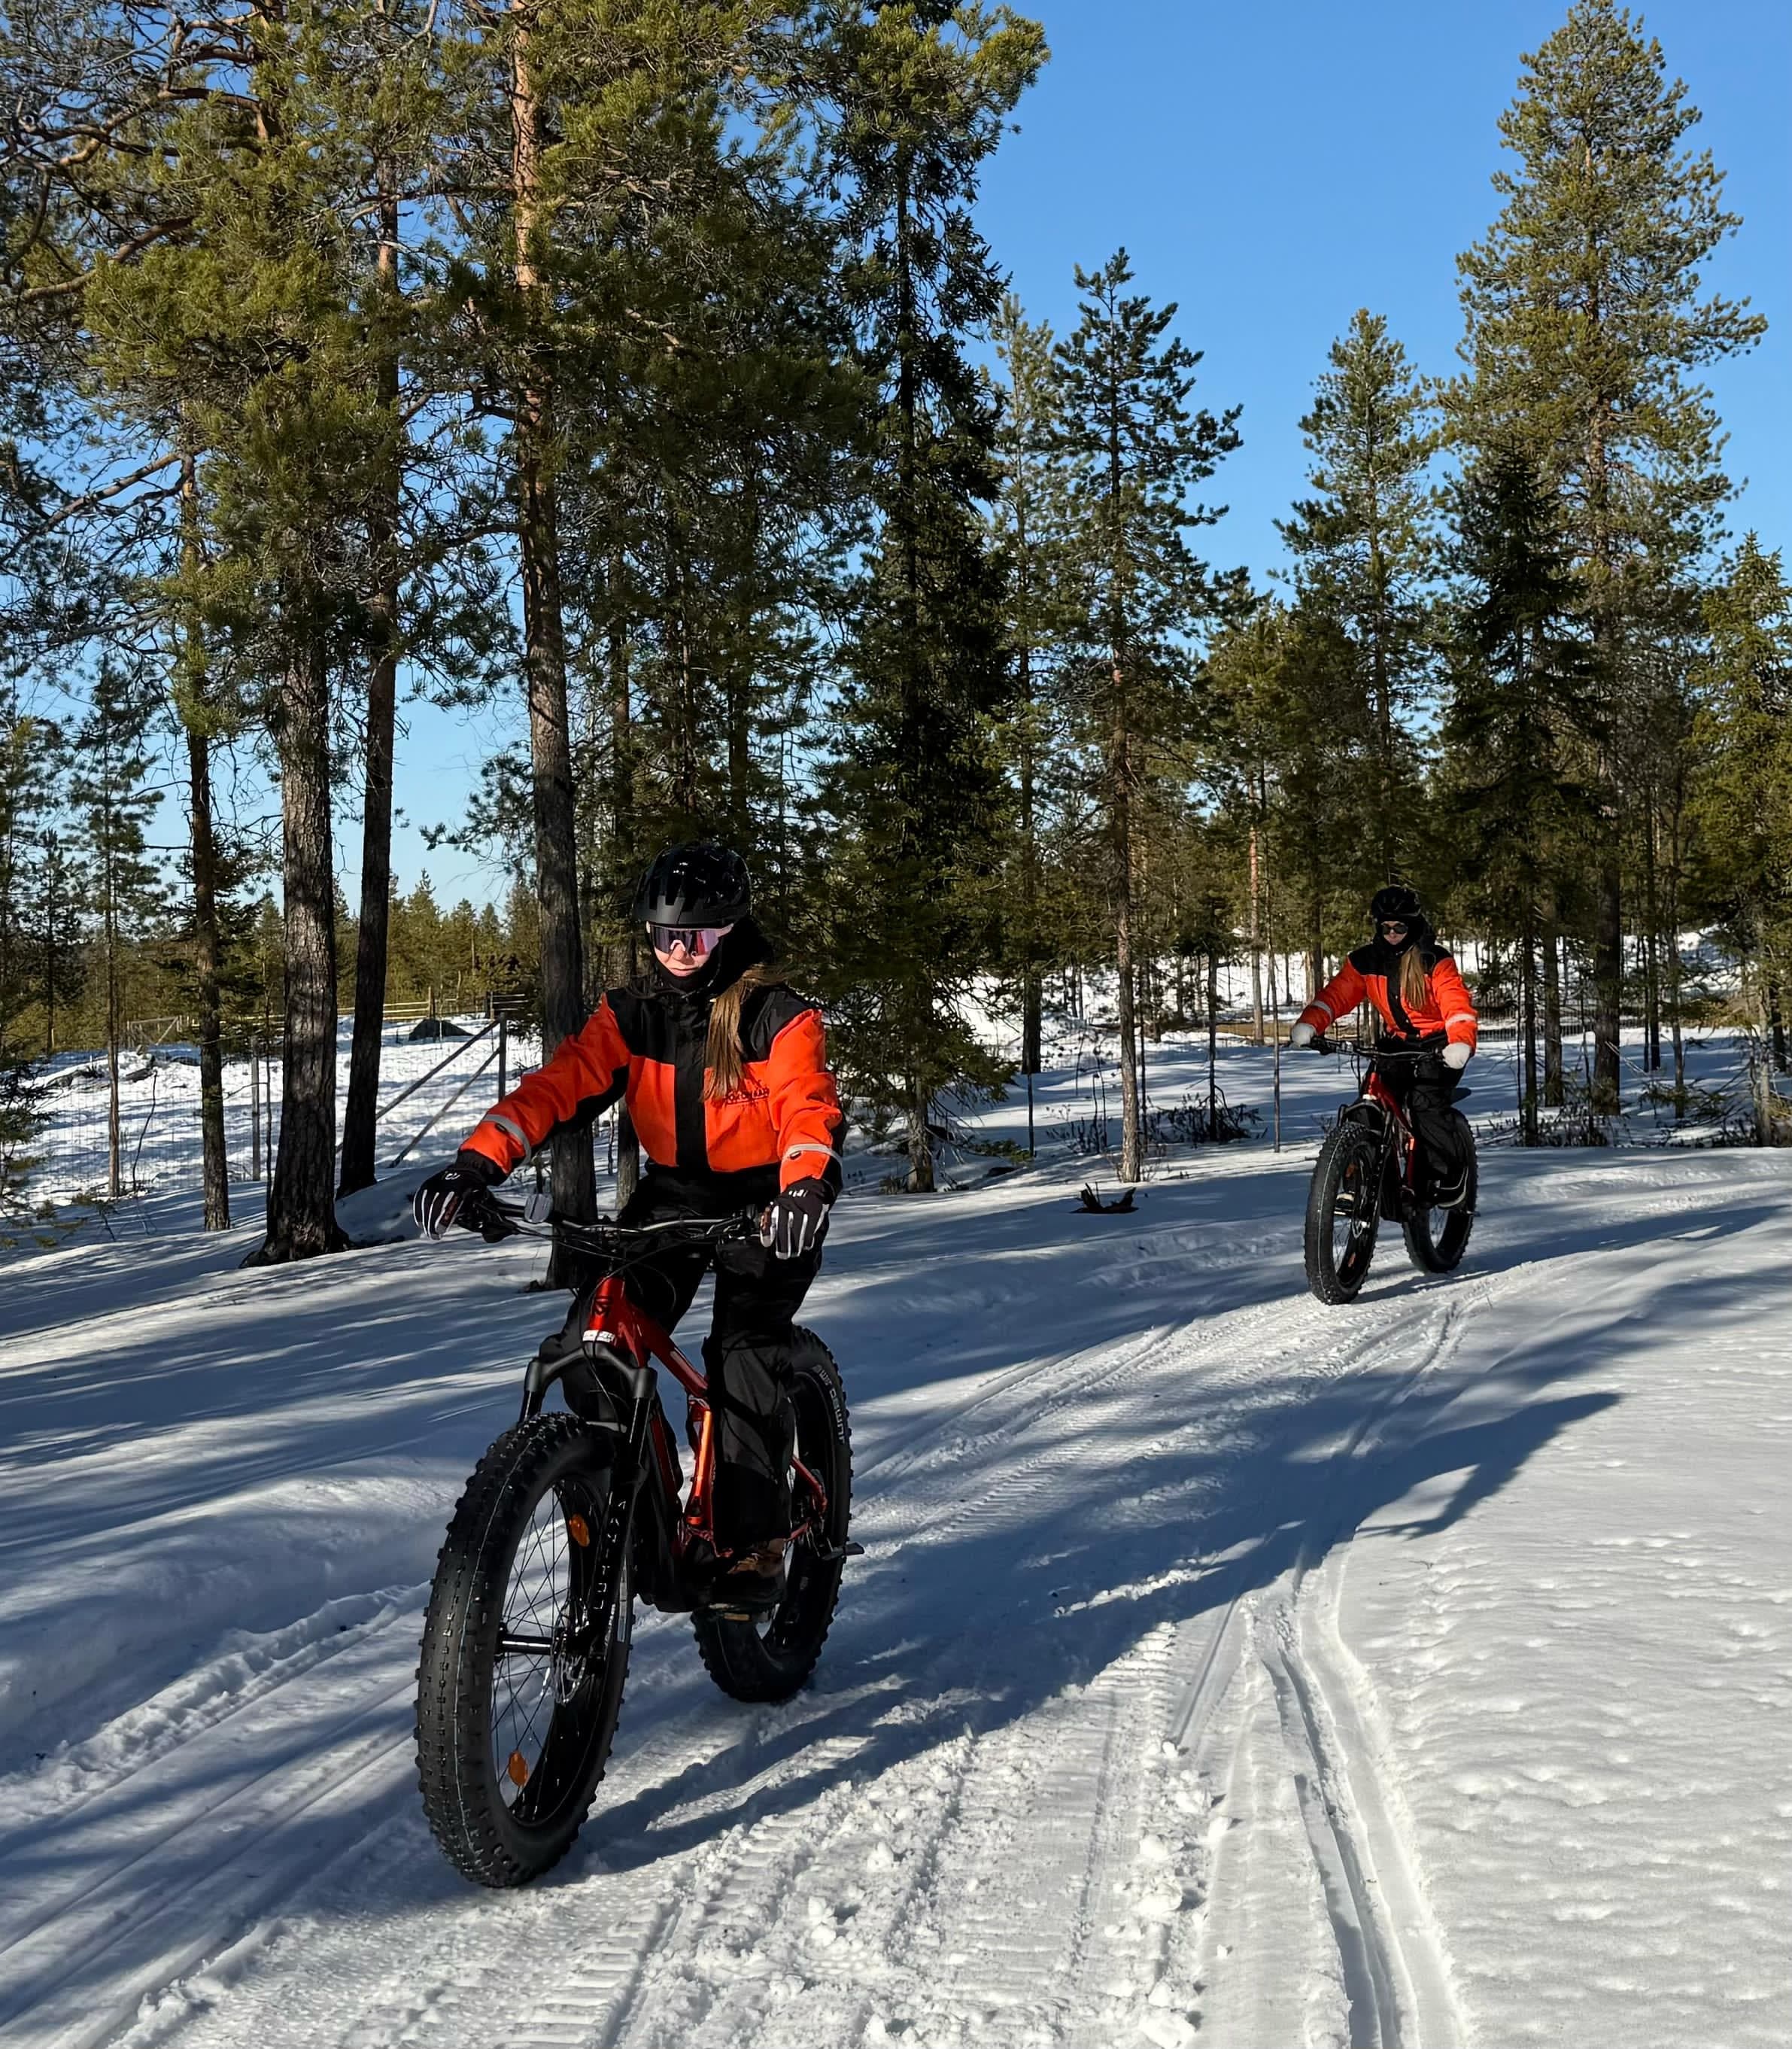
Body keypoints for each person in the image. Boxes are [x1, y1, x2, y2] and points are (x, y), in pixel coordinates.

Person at [413, 841, 845, 1601]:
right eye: (665, 935)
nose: (680, 951)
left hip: (769, 1205)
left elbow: (808, 1106)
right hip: (674, 1200)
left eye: (700, 935)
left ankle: (753, 1547)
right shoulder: (631, 1015)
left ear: (733, 931)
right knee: (592, 1344)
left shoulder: (778, 1017)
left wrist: (805, 1188)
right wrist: (477, 1162)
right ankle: (645, 1514)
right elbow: (555, 1089)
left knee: (744, 1357)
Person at [1288, 884, 1478, 1207]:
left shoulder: (1435, 961)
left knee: (1424, 1105)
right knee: (1366, 1104)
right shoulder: (1366, 961)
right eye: (1385, 927)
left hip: (1439, 1046)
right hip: (1396, 1045)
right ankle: (1352, 1181)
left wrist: (1460, 1043)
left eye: (1399, 927)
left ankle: (1451, 1173)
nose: (1392, 933)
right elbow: (1336, 996)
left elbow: (1456, 1005)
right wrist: (1310, 1024)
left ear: (1413, 926)